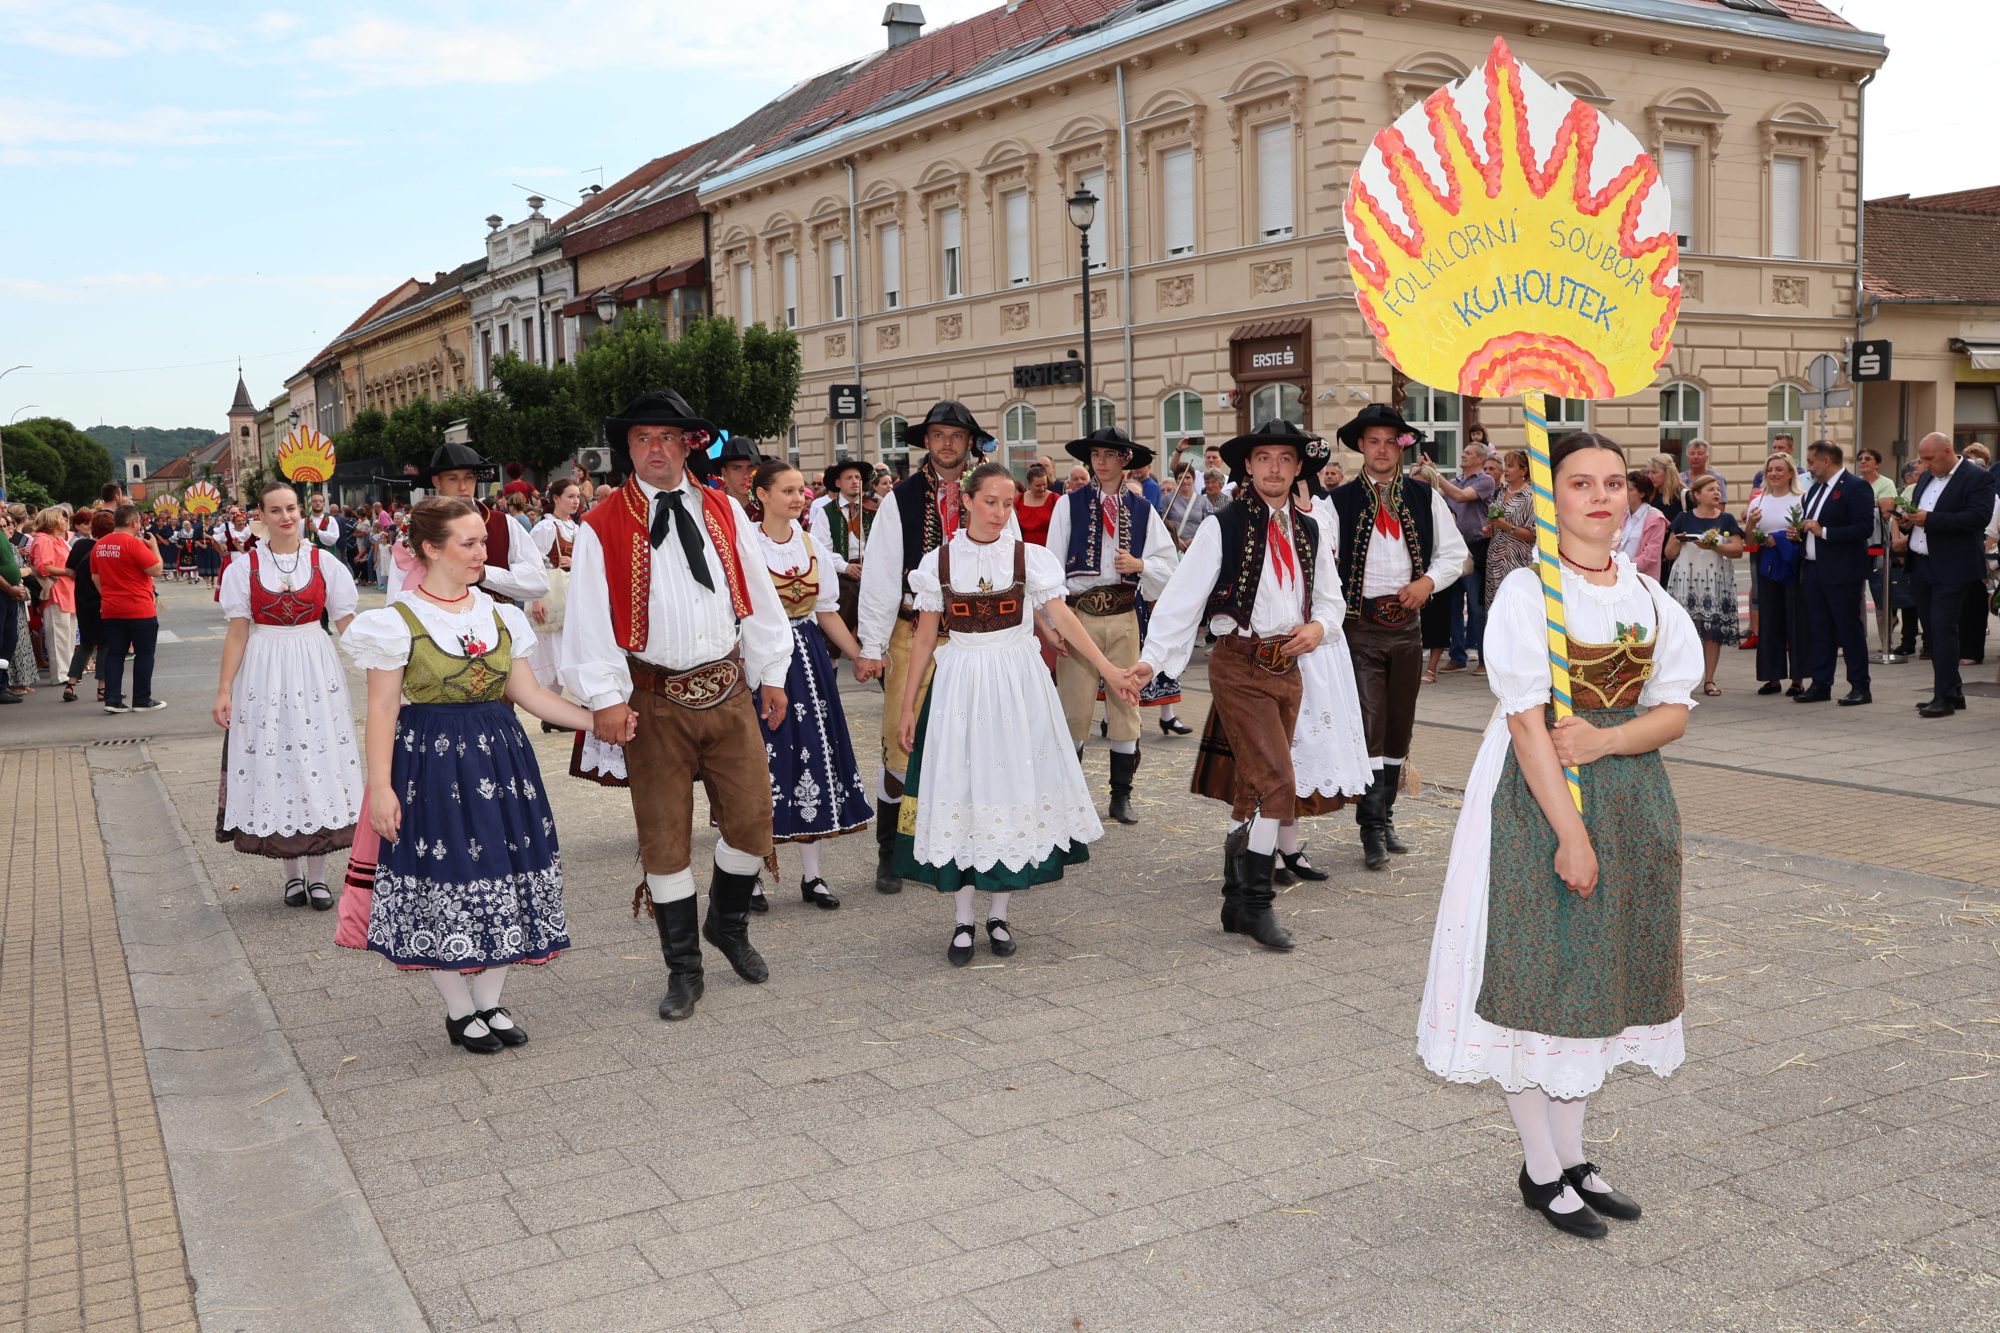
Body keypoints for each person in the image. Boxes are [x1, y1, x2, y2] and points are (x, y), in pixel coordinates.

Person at [1417, 431, 1699, 1240]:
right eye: (1581, 482)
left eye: (1613, 481)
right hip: (1534, 798)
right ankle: (1540, 1166)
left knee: (1595, 973)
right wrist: (1570, 835)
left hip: (1629, 796)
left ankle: (1572, 1155)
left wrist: (1609, 740)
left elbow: (1674, 710)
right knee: (1540, 970)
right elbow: (1527, 724)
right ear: (1551, 496)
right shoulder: (1527, 594)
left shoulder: (1648, 595)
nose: (1601, 496)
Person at [561, 390, 793, 1023]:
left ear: (689, 444)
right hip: (654, 700)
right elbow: (587, 620)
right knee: (664, 839)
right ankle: (684, 969)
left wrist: (772, 673)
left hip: (729, 689)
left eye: (666, 437)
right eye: (642, 438)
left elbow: (758, 595)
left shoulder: (724, 507)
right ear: (628, 448)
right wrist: (606, 698)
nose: (655, 449)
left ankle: (727, 923)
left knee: (752, 823)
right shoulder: (602, 524)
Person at [342, 497, 595, 1054]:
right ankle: (460, 1011)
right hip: (430, 763)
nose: (483, 552)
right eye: (470, 543)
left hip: (502, 759)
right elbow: (382, 710)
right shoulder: (396, 622)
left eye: (483, 541)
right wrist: (380, 788)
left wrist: (598, 721)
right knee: (443, 875)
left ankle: (490, 1001)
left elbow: (529, 695)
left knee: (508, 867)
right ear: (431, 549)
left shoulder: (500, 615)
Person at [893, 462, 1138, 965]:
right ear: (966, 501)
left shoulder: (1030, 558)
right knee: (963, 790)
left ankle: (1000, 914)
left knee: (1010, 790)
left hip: (1018, 685)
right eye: (990, 502)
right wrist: (908, 705)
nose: (1000, 513)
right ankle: (964, 920)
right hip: (961, 685)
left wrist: (1110, 670)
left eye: (1008, 504)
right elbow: (924, 638)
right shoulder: (939, 562)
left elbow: (1063, 617)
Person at [1135, 420, 1343, 949]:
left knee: (1254, 785)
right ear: (1248, 466)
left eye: (1285, 459)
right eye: (1264, 458)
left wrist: (1319, 628)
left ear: (1298, 468)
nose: (1274, 468)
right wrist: (1152, 660)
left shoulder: (1311, 529)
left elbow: (1331, 599)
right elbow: (1182, 598)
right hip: (1239, 664)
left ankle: (1233, 899)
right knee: (1278, 782)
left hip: (1288, 668)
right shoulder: (1221, 525)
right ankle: (1256, 904)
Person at [856, 401, 1009, 896]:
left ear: (970, 443)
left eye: (956, 435)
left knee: (971, 740)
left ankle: (962, 842)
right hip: (911, 631)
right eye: (939, 435)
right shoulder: (900, 499)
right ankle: (891, 852)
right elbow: (880, 575)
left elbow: (1012, 565)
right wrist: (871, 645)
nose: (947, 443)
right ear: (926, 441)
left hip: (975, 637)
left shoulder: (989, 493)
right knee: (899, 741)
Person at [1327, 404, 1467, 870]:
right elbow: (1322, 561)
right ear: (1361, 447)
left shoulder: (1424, 496)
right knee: (1370, 723)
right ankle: (1370, 826)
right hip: (1359, 629)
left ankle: (1385, 816)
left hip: (1407, 629)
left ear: (1401, 447)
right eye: (1374, 442)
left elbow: (1454, 555)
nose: (1382, 450)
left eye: (1390, 441)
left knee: (1399, 727)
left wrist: (1427, 582)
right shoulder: (1338, 502)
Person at [213, 482, 364, 909]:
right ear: (260, 516)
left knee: (315, 759)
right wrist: (224, 689)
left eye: (292, 508)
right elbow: (237, 632)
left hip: (314, 664)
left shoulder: (325, 562)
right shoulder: (244, 568)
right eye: (276, 510)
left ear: (301, 512)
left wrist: (381, 666)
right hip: (264, 666)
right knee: (277, 759)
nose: (286, 516)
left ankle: (318, 877)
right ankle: (291, 875)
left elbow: (347, 621)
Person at [747, 460, 876, 911]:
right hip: (761, 660)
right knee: (760, 765)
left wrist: (859, 655)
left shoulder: (810, 544)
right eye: (788, 490)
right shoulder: (746, 546)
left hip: (808, 660)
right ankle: (750, 876)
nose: (799, 498)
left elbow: (826, 611)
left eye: (801, 490)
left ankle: (812, 875)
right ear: (762, 495)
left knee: (813, 759)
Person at [1043, 426, 1179, 824]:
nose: (1101, 462)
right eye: (1096, 455)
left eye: (1109, 455)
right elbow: (1051, 566)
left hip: (1123, 616)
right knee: (1074, 707)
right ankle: (1070, 800)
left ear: (1125, 460)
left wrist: (1140, 565)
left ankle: (1121, 796)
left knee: (1126, 705)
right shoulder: (1068, 505)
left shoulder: (1143, 510)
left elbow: (1170, 567)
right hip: (1079, 615)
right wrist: (1053, 624)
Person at [1897, 432, 1998, 717]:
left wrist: (1930, 519)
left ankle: (1944, 697)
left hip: (1953, 566)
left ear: (1948, 451)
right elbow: (1920, 514)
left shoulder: (1977, 477)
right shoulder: (1926, 478)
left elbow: (1977, 518)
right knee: (1932, 631)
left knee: (1943, 629)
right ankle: (1953, 691)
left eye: (1929, 458)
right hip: (1921, 563)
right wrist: (1907, 522)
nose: (1925, 464)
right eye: (1922, 459)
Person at [387, 434, 550, 609]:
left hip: (494, 624)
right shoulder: (416, 528)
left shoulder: (503, 524)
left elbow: (539, 582)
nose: (463, 486)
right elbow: (397, 594)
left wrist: (486, 574)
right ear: (436, 481)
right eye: (453, 478)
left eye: (469, 477)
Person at [1794, 441, 1876, 706]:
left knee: (1848, 629)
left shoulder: (1855, 487)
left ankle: (1860, 686)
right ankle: (1821, 683)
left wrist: (1825, 532)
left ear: (1826, 461)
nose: (1809, 467)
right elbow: (1812, 524)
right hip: (1814, 568)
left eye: (1811, 462)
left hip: (1842, 571)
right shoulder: (1816, 489)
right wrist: (1800, 532)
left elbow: (1864, 528)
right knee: (1820, 629)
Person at [1663, 474, 1744, 696]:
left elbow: (1737, 549)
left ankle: (1709, 679)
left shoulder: (1726, 519)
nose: (1717, 493)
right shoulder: (1683, 517)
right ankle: (1683, 679)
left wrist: (1713, 545)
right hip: (1686, 578)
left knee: (1712, 631)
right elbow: (1669, 553)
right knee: (1683, 631)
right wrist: (1676, 540)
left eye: (1718, 489)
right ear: (1697, 495)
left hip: (1714, 579)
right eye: (1711, 489)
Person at [90, 504, 166, 713]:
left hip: (111, 608)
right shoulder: (133, 544)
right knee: (144, 654)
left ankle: (112, 699)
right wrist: (154, 547)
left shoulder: (99, 545)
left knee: (114, 654)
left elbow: (95, 577)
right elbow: (157, 570)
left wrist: (108, 595)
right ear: (133, 523)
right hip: (139, 608)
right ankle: (142, 699)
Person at [1744, 453, 1809, 698]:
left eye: (1779, 469)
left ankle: (1798, 679)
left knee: (1795, 618)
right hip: (1768, 562)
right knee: (1770, 619)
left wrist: (1790, 536)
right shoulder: (1759, 500)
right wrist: (1752, 524)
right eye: (1770, 469)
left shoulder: (1802, 498)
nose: (1774, 473)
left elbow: (1806, 533)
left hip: (1792, 561)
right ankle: (1772, 677)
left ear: (1790, 473)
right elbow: (1749, 541)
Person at [1434, 442, 1495, 674]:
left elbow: (1460, 497)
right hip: (1454, 549)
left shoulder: (1485, 481)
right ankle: (1457, 656)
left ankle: (1483, 660)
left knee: (1477, 609)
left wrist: (1436, 475)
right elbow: (1440, 499)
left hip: (1476, 549)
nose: (1462, 455)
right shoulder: (1455, 481)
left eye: (1468, 453)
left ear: (1480, 458)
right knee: (1453, 606)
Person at [524, 477, 581, 699]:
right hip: (552, 595)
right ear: (556, 498)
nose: (575, 501)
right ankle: (552, 705)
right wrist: (536, 598)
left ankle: (560, 705)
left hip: (572, 595)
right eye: (570, 496)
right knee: (553, 652)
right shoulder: (546, 527)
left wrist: (575, 562)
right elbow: (532, 562)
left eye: (578, 497)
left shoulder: (576, 527)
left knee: (569, 651)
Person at [808, 458, 875, 643]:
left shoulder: (872, 509)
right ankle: (836, 649)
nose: (855, 481)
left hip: (872, 571)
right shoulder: (826, 512)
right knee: (846, 596)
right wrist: (845, 567)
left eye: (858, 478)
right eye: (849, 478)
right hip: (841, 575)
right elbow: (820, 550)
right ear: (838, 483)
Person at [60, 510, 112, 703]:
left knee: (86, 644)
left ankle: (71, 684)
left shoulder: (80, 545)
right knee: (105, 643)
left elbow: (69, 570)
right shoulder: (107, 549)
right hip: (102, 600)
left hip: (81, 599)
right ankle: (102, 688)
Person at [29, 509, 77, 687]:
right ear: (52, 521)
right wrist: (67, 571)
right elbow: (43, 567)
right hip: (56, 590)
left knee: (67, 634)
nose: (65, 521)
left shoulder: (57, 539)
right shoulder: (43, 540)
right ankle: (60, 674)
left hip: (66, 589)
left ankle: (69, 671)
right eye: (62, 518)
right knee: (58, 634)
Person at [1484, 450, 1537, 606]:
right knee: (1493, 606)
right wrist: (1490, 529)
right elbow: (1495, 524)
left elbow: (1533, 536)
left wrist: (1506, 526)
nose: (1505, 469)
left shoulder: (1530, 497)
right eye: (1506, 465)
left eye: (1511, 466)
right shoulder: (1499, 492)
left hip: (1516, 561)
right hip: (1494, 558)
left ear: (1523, 470)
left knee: (1512, 605)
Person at [1619, 471, 1668, 581]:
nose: (1625, 493)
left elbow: (1651, 556)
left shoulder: (1656, 518)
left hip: (1642, 578)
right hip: (1619, 575)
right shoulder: (1622, 514)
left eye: (1630, 490)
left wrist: (1627, 568)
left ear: (1642, 493)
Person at [0, 508, 28, 704]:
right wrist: (10, 588)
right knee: (2, 640)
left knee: (9, 640)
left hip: (9, 595)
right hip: (3, 594)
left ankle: (3, 685)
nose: (4, 509)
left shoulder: (3, 536)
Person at [712, 435, 763, 521]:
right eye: (737, 468)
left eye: (751, 467)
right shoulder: (714, 511)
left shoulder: (773, 508)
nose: (746, 475)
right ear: (725, 474)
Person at [1015, 462, 1057, 546]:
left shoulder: (1054, 499)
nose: (1042, 488)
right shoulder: (1019, 500)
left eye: (1044, 484)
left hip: (1048, 546)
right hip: (1025, 547)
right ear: (1029, 484)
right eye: (1038, 485)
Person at [1682, 438, 1726, 505]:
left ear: (1707, 456)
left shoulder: (1717, 478)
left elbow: (1720, 506)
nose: (1695, 457)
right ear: (1687, 457)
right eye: (1692, 453)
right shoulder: (1680, 479)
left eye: (1700, 454)